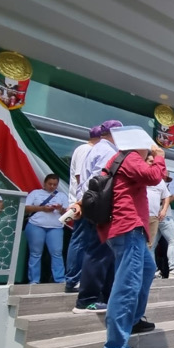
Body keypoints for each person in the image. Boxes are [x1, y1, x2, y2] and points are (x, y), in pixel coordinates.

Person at [97, 141, 166, 348]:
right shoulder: (130, 157)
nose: (150, 150)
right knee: (127, 287)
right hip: (129, 229)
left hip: (125, 229)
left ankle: (134, 319)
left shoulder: (120, 159)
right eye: (148, 146)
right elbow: (154, 176)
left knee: (148, 269)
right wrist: (159, 157)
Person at [69, 120, 123, 312]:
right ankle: (87, 299)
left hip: (93, 203)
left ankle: (101, 296)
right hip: (100, 205)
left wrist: (80, 200)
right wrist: (83, 202)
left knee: (103, 252)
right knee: (98, 252)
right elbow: (98, 180)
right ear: (112, 133)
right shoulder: (107, 151)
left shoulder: (98, 148)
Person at [64, 124, 104, 292]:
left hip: (86, 201)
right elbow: (82, 177)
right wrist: (81, 202)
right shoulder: (85, 150)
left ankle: (80, 278)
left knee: (86, 241)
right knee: (80, 241)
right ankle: (73, 280)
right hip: (82, 202)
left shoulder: (86, 149)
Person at [24, 174, 68, 284]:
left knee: (57, 253)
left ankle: (60, 279)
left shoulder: (62, 196)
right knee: (35, 253)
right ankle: (34, 280)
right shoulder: (35, 193)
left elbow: (68, 213)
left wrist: (60, 208)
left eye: (55, 185)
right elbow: (26, 208)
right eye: (50, 184)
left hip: (55, 227)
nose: (52, 186)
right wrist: (42, 208)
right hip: (36, 225)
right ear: (44, 183)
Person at [146, 165, 174, 278]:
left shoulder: (148, 183)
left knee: (152, 246)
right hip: (164, 216)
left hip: (153, 217)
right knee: (173, 241)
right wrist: (172, 198)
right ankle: (172, 268)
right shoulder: (160, 184)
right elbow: (164, 200)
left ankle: (153, 270)